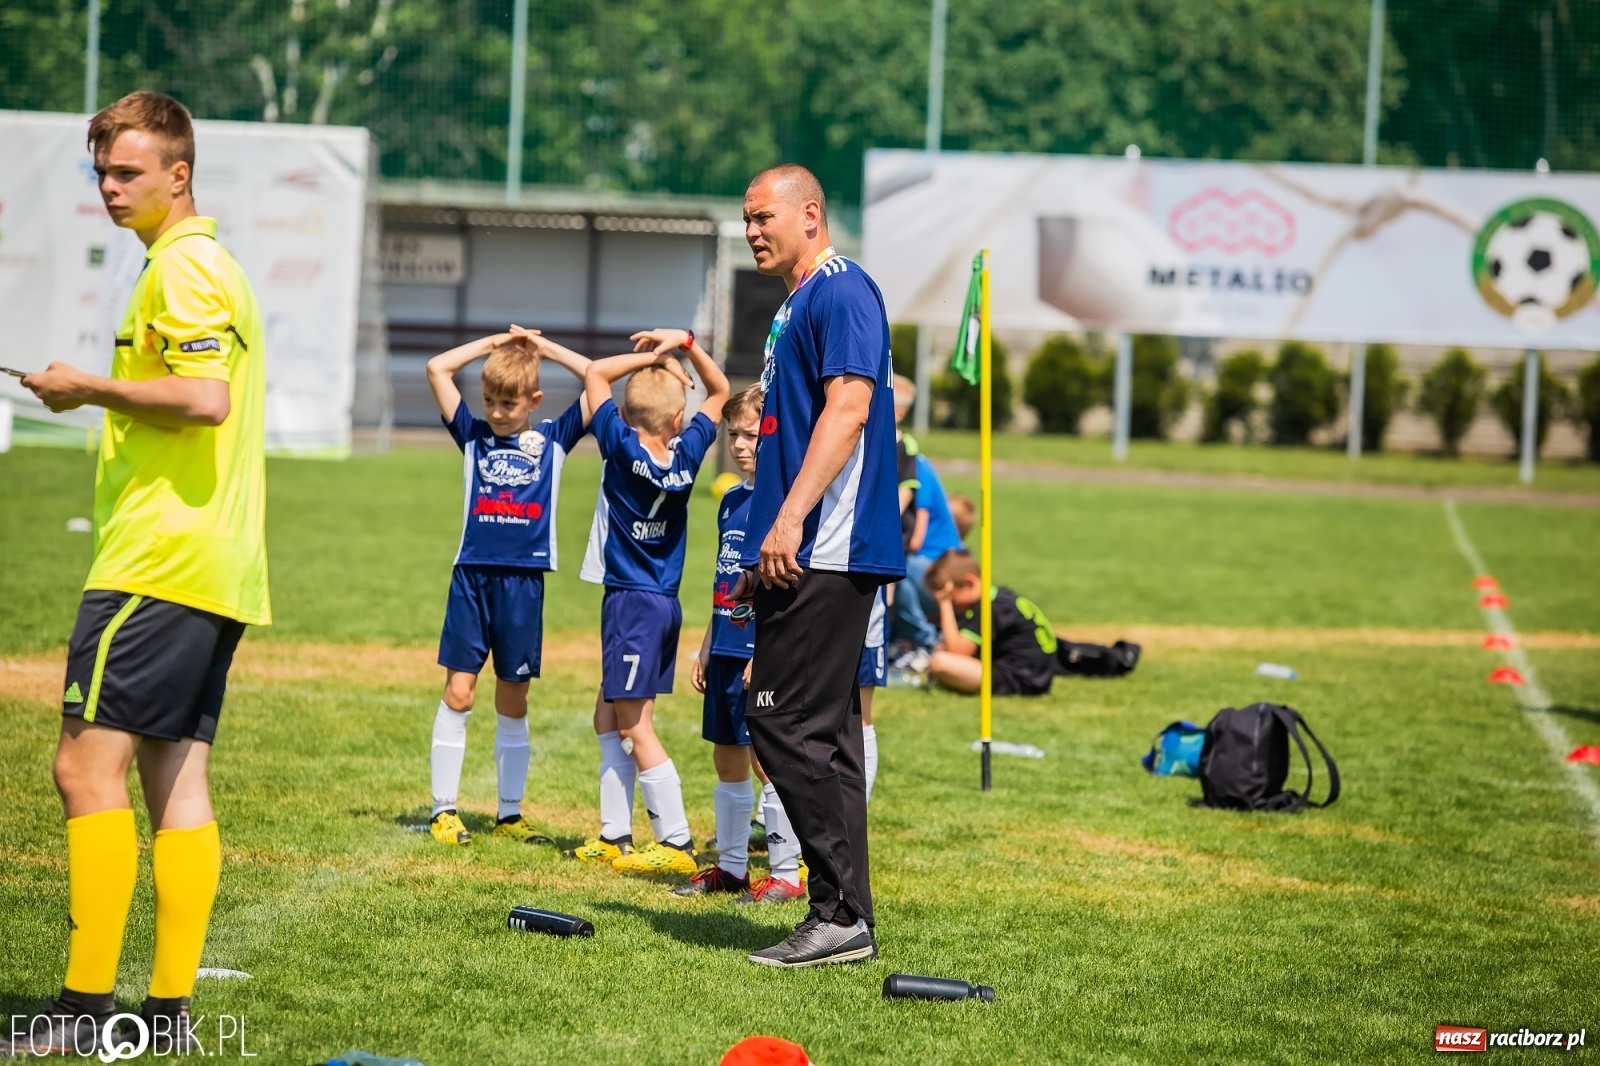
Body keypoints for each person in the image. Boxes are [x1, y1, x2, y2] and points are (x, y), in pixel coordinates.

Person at [17, 91, 267, 1055]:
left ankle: (80, 1016)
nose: (111, 188)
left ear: (179, 174)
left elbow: (202, 399)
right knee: (176, 779)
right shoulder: (208, 265)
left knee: (84, 767)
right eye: (102, 172)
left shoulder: (186, 268)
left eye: (128, 172)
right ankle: (168, 1017)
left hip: (158, 562)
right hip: (211, 563)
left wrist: (86, 387)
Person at [735, 164, 903, 968]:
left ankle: (834, 906)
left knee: (776, 715)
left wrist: (793, 517)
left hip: (826, 547)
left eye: (763, 216)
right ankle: (846, 916)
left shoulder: (841, 288)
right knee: (830, 734)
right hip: (804, 546)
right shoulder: (798, 301)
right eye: (745, 220)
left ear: (810, 213)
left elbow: (851, 405)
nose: (752, 230)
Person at [422, 326, 593, 847]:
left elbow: (595, 378)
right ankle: (444, 810)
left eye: (509, 402)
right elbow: (437, 368)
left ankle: (510, 814)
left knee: (513, 699)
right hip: (472, 576)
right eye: (490, 401)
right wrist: (494, 344)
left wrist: (542, 351)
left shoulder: (554, 440)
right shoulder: (472, 437)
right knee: (459, 690)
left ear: (534, 400)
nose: (497, 412)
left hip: (524, 583)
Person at [569, 328, 730, 875]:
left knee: (636, 727)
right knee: (608, 713)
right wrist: (684, 346)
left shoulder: (618, 445)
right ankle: (615, 834)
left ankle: (677, 842)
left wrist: (653, 358)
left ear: (626, 414)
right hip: (662, 602)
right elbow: (721, 389)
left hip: (631, 603)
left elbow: (593, 374)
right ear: (678, 421)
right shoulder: (686, 451)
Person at [679, 383, 807, 901]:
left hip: (764, 653)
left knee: (767, 762)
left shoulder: (785, 505)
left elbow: (785, 587)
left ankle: (786, 873)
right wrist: (709, 644)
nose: (738, 444)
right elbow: (723, 579)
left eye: (750, 434)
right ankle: (732, 869)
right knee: (727, 758)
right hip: (726, 651)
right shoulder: (731, 499)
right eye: (733, 434)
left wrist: (764, 650)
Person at [923, 550, 1059, 697]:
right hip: (1036, 676)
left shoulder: (989, 608)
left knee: (940, 662)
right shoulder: (1000, 599)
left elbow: (956, 653)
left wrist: (944, 604)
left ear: (969, 583)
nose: (954, 605)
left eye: (952, 598)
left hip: (1021, 679)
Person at [891, 452, 965, 651]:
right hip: (939, 562)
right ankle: (900, 643)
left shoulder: (915, 467)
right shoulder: (921, 463)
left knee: (894, 573)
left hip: (941, 567)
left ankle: (929, 643)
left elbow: (916, 540)